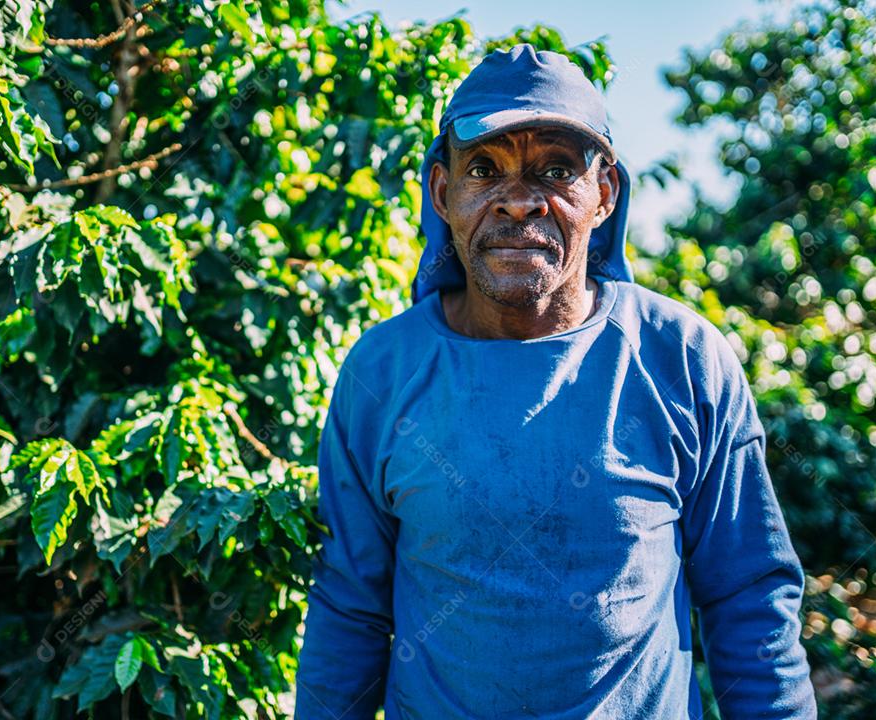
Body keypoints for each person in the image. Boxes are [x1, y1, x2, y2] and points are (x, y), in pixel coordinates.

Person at [293, 43, 818, 719]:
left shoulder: (683, 360)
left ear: (603, 195)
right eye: (485, 168)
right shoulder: (381, 374)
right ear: (443, 194)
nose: (519, 203)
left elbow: (749, 596)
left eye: (556, 170)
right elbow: (350, 611)